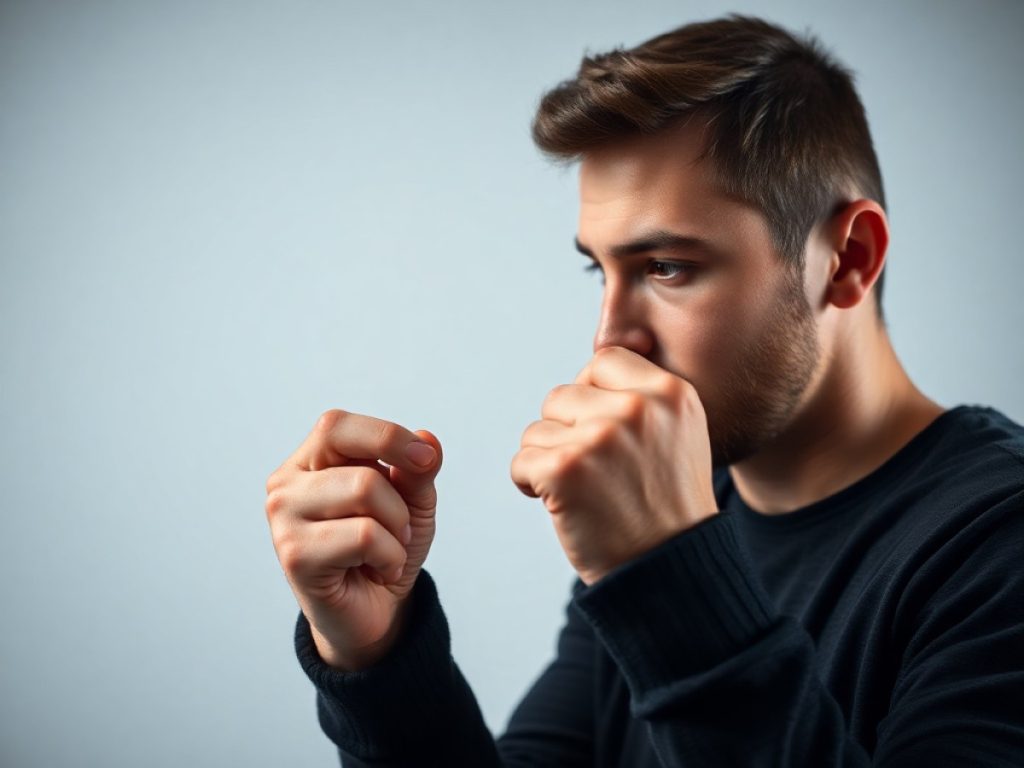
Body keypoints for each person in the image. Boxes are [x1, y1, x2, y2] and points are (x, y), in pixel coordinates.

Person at [264, 14, 1024, 767]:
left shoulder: (996, 542)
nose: (609, 339)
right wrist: (378, 656)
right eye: (601, 269)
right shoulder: (683, 504)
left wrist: (669, 569)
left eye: (666, 267)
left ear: (849, 259)